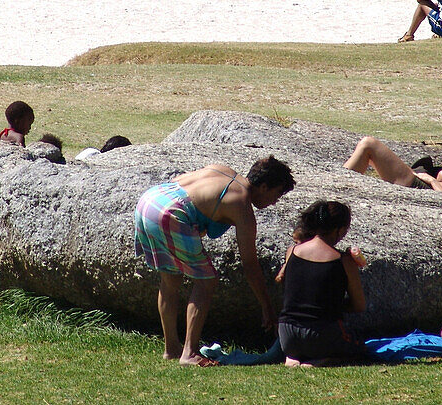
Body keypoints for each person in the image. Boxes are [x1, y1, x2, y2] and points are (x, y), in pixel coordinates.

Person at [134, 156, 295, 366]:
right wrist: (266, 306)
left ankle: (171, 348)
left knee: (170, 278)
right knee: (206, 281)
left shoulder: (224, 170)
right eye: (277, 194)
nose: (275, 201)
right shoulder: (241, 203)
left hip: (150, 200)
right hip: (170, 213)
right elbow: (250, 264)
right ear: (264, 186)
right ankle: (189, 353)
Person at [277, 201, 367, 367]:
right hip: (321, 336)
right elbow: (359, 305)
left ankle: (292, 357)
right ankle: (324, 359)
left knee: (301, 343)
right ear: (338, 229)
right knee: (360, 348)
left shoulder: (292, 251)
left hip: (287, 335)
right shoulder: (344, 261)